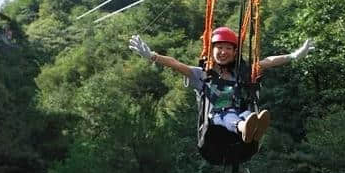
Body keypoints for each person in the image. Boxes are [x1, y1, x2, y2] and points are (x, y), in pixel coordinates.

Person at [129, 27, 314, 143]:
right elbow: (176, 64)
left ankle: (254, 129)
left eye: (227, 48)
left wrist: (293, 56)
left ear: (234, 52)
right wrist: (153, 56)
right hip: (216, 119)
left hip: (239, 111)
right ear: (212, 51)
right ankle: (245, 128)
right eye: (219, 48)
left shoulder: (240, 72)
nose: (223, 52)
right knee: (230, 116)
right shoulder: (201, 75)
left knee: (247, 113)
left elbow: (268, 62)